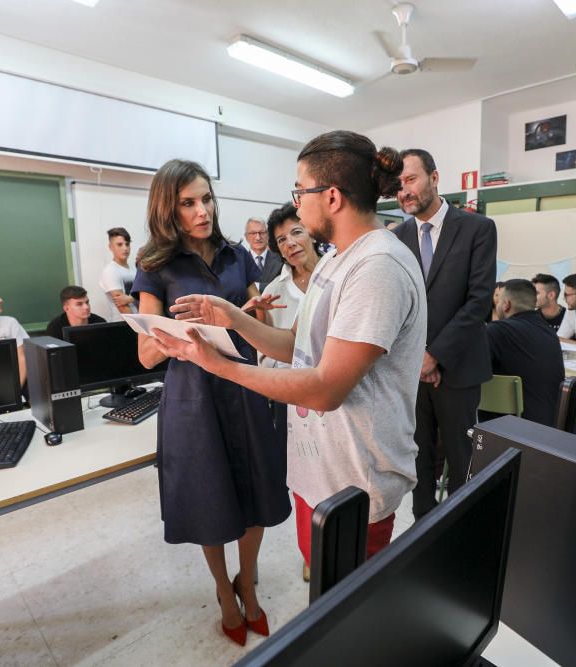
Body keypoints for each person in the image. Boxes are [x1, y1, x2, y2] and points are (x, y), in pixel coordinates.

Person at [150, 130, 425, 589]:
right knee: (322, 596)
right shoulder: (336, 260)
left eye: (301, 191)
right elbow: (296, 345)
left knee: (346, 614)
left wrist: (219, 366)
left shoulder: (377, 268)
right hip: (320, 471)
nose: (296, 205)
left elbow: (324, 388)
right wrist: (234, 319)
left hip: (354, 482)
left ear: (331, 196)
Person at [132, 159, 289, 647]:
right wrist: (193, 329)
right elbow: (145, 354)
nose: (203, 210)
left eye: (207, 198)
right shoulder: (155, 265)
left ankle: (249, 579)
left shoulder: (236, 255)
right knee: (210, 498)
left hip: (243, 385)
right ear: (168, 208)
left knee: (258, 494)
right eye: (189, 203)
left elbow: (251, 320)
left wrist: (247, 314)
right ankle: (224, 590)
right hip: (193, 399)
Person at [390, 148, 496, 519]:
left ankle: (459, 528)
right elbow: (395, 307)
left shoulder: (477, 228)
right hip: (410, 372)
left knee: (461, 457)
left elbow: (479, 301)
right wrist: (416, 358)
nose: (404, 191)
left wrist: (434, 355)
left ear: (435, 178)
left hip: (459, 366)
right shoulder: (396, 237)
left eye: (411, 179)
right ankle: (421, 529)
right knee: (416, 455)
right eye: (398, 184)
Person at [259, 203, 323, 431]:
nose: (290, 243)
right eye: (281, 240)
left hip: (336, 390)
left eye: (297, 232)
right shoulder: (273, 292)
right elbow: (265, 354)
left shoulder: (338, 275)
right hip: (289, 395)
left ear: (312, 235)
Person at [485, 279, 564, 426]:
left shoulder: (497, 331)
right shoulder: (550, 333)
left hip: (509, 428)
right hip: (550, 427)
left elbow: (468, 368)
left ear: (506, 304)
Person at [100, 227, 138, 319]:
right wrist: (138, 328)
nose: (125, 248)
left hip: (138, 321)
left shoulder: (134, 268)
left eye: (127, 244)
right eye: (119, 244)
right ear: (110, 247)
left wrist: (131, 298)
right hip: (124, 324)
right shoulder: (111, 271)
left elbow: (144, 295)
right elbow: (122, 306)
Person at [244, 217, 284, 289]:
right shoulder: (240, 262)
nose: (258, 238)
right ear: (246, 237)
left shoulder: (281, 259)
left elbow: (283, 286)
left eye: (262, 233)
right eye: (253, 233)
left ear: (268, 235)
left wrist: (256, 286)